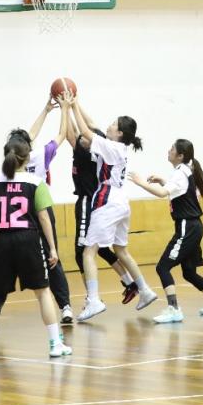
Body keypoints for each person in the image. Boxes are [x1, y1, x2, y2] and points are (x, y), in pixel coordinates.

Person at [0, 135, 70, 363]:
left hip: (2, 240)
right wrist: (52, 248)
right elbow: (44, 217)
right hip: (29, 239)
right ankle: (55, 344)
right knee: (43, 291)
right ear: (27, 158)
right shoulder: (35, 182)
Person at [0, 100, 73, 326]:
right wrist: (64, 109)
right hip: (39, 210)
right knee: (52, 258)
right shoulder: (41, 154)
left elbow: (29, 135)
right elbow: (59, 134)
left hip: (16, 216)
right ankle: (65, 307)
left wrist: (45, 110)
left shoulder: (7, 167)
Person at [70, 96, 158, 321]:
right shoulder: (119, 146)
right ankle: (145, 290)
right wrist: (75, 104)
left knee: (88, 252)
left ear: (119, 133)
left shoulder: (110, 147)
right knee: (121, 250)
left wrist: (71, 107)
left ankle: (93, 300)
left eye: (113, 124)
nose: (108, 125)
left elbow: (85, 130)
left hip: (107, 200)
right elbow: (92, 124)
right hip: (122, 202)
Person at [128, 139, 203, 323]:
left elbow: (162, 193)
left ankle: (174, 309)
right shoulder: (183, 171)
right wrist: (163, 181)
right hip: (193, 227)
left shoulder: (181, 172)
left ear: (180, 155)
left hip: (187, 227)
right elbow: (177, 190)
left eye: (172, 148)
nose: (169, 150)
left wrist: (140, 182)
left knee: (162, 267)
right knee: (189, 273)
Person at [65, 105, 138, 305]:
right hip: (98, 202)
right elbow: (85, 129)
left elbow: (72, 134)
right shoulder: (101, 146)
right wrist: (71, 106)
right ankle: (130, 283)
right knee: (101, 248)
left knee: (82, 252)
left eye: (84, 138)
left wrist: (66, 108)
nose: (81, 139)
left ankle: (92, 298)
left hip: (90, 202)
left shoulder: (87, 150)